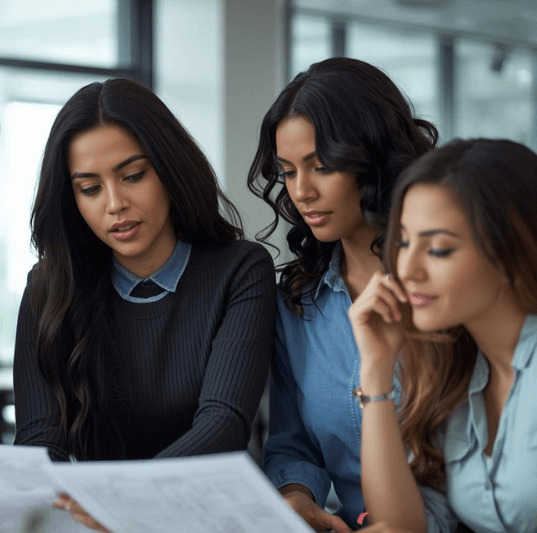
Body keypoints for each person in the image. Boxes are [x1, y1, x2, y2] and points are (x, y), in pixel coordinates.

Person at [14, 79, 276, 528]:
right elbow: (41, 443)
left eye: (133, 175)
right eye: (90, 188)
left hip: (208, 520)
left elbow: (223, 424)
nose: (115, 204)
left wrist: (121, 505)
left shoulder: (240, 269)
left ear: (169, 169)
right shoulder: (48, 287)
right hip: (93, 522)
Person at [247, 57, 438, 532]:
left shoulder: (444, 290)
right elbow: (293, 444)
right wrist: (296, 497)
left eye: (322, 166)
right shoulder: (295, 302)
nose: (302, 192)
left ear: (372, 158)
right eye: (288, 171)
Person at [349, 138, 537, 533]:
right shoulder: (456, 370)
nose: (407, 269)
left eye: (438, 249)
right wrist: (377, 370)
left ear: (510, 251)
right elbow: (402, 526)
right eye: (402, 242)